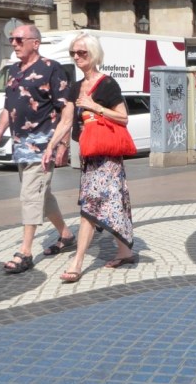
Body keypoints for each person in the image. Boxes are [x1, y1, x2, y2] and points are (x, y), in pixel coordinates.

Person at [0, 23, 76, 274]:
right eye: (12, 39)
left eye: (19, 39)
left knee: (29, 195)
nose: (13, 43)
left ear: (35, 42)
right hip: (19, 145)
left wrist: (61, 145)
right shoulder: (13, 70)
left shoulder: (51, 69)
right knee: (42, 195)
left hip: (43, 145)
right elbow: (7, 108)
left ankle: (25, 251)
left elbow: (66, 109)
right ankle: (66, 236)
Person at [42, 32, 136, 283]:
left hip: (107, 158)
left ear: (93, 54)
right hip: (89, 156)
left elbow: (123, 117)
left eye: (82, 52)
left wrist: (95, 106)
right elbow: (66, 120)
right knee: (111, 204)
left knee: (90, 207)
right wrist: (52, 144)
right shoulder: (75, 87)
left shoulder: (107, 84)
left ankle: (78, 262)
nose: (76, 56)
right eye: (73, 52)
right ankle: (125, 250)